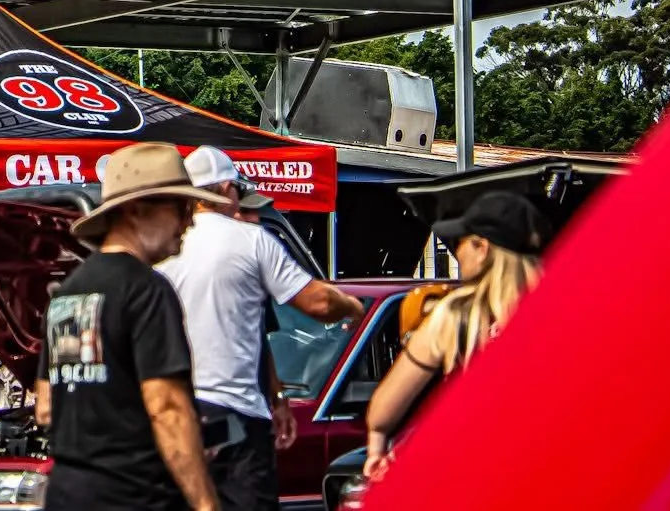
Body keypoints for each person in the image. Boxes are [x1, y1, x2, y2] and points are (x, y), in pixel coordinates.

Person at [157, 148, 366, 511]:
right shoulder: (251, 241)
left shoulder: (167, 246)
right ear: (226, 189)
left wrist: (278, 395)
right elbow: (318, 303)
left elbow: (252, 332)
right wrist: (352, 306)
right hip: (235, 416)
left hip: (175, 412)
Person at [36, 142, 229, 511]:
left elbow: (45, 405)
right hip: (136, 496)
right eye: (181, 207)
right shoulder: (146, 290)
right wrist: (206, 504)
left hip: (67, 494)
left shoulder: (67, 292)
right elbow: (167, 407)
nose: (189, 221)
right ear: (137, 210)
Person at [362, 192, 547, 481]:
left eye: (461, 242)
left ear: (482, 248)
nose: (457, 252)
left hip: (475, 472)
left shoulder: (457, 315)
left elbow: (383, 411)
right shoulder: (564, 310)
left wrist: (377, 446)